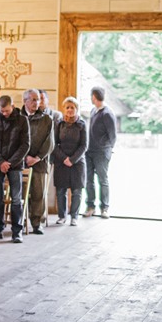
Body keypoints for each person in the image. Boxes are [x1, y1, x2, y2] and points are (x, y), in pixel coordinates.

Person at [0, 95, 30, 243]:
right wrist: (1, 161)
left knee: (16, 199)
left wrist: (9, 162)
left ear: (13, 106)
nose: (4, 114)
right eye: (2, 111)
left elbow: (25, 145)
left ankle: (17, 231)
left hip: (14, 165)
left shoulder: (22, 120)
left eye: (7, 111)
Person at [20, 89, 54, 235]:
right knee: (20, 195)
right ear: (25, 101)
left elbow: (50, 142)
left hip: (39, 163)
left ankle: (36, 223)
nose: (36, 103)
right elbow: (14, 139)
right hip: (20, 162)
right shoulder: (18, 118)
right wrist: (24, 157)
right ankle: (21, 222)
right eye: (33, 100)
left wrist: (37, 158)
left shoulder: (47, 119)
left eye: (38, 100)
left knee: (38, 194)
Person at [51, 97, 87, 226]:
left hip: (77, 162)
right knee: (61, 191)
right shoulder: (59, 124)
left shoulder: (82, 124)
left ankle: (74, 217)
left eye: (72, 107)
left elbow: (84, 145)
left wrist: (72, 160)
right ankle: (62, 216)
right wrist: (64, 158)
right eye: (67, 107)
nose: (70, 110)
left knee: (77, 191)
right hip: (61, 162)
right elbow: (54, 144)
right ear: (64, 109)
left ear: (76, 109)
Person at [84, 86, 117, 219]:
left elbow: (113, 135)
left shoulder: (107, 113)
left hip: (102, 152)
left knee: (102, 180)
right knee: (89, 180)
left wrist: (108, 150)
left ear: (94, 96)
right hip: (89, 151)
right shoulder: (93, 111)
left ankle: (105, 208)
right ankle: (90, 207)